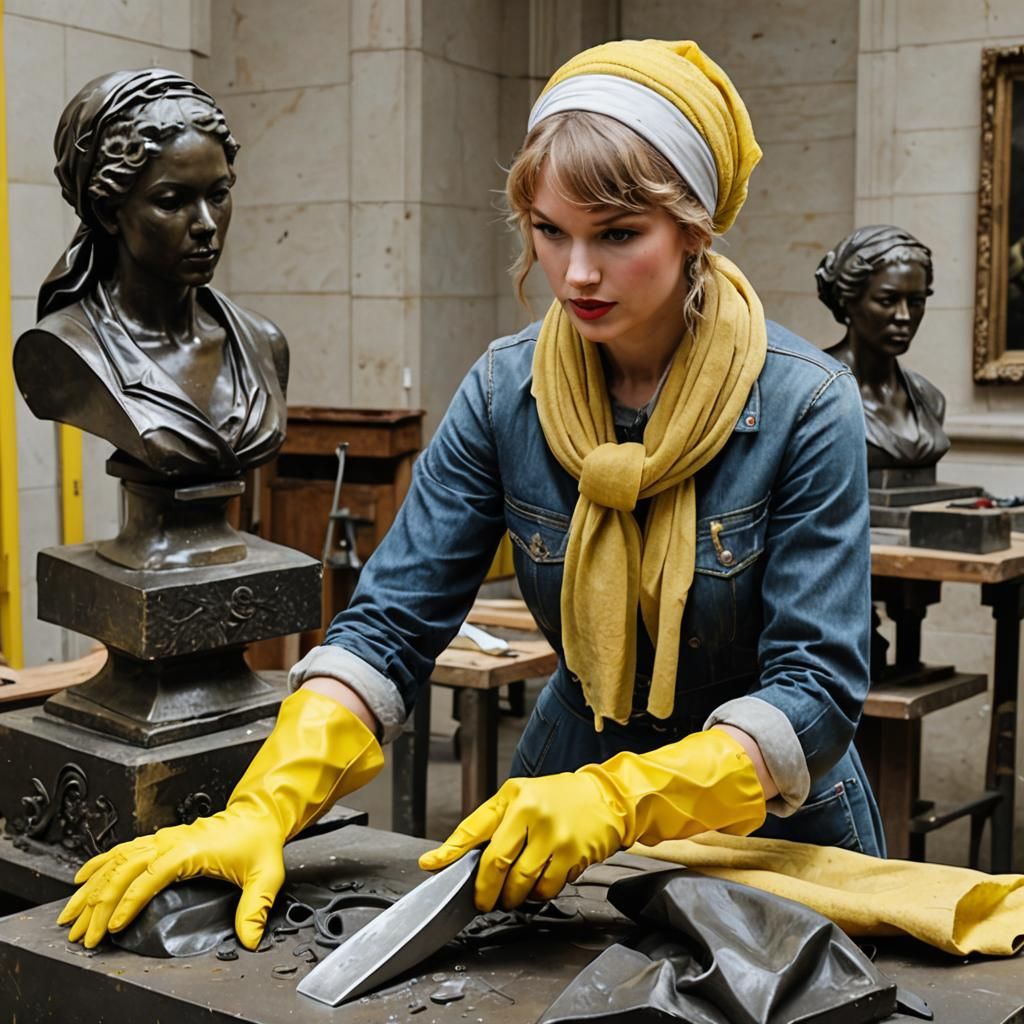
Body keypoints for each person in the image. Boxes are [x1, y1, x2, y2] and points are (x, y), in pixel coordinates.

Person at [59, 39, 884, 952]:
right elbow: (390, 626)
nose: (574, 274)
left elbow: (816, 693)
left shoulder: (807, 402)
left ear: (695, 228)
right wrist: (263, 805)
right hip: (557, 800)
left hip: (771, 825)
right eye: (549, 230)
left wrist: (618, 799)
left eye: (617, 235)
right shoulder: (506, 391)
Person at [13, 69, 288, 481]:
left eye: (218, 195)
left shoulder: (263, 344)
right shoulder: (63, 349)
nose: (205, 223)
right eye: (171, 201)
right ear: (109, 212)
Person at [815, 226, 944, 470]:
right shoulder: (814, 391)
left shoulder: (931, 399)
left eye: (916, 302)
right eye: (887, 300)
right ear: (847, 299)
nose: (904, 316)